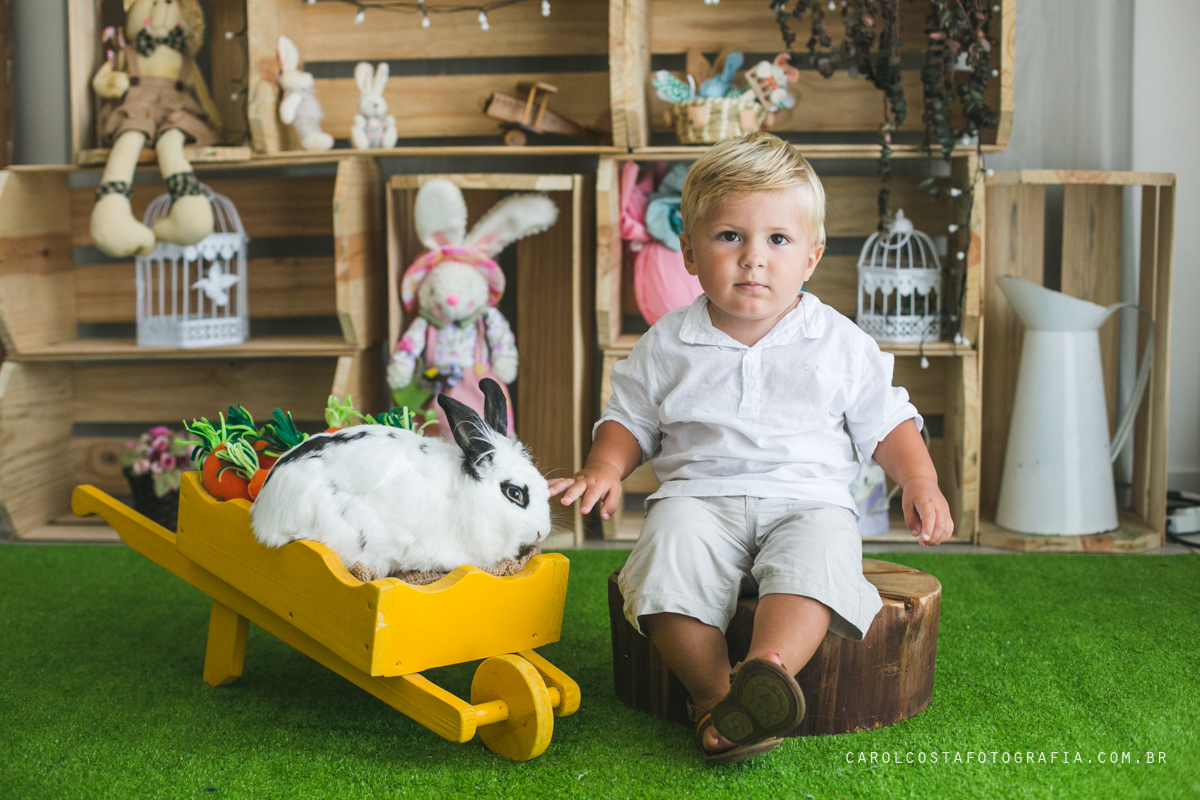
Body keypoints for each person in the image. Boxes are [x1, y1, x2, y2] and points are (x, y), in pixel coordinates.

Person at [549, 131, 955, 763]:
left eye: (778, 240)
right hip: (697, 499)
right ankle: (718, 698)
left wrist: (920, 481)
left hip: (808, 501)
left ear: (812, 257)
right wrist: (605, 465)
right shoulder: (669, 340)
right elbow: (627, 416)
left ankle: (768, 670)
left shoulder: (837, 340)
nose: (753, 259)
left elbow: (887, 420)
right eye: (730, 237)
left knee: (817, 566)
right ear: (688, 251)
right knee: (664, 557)